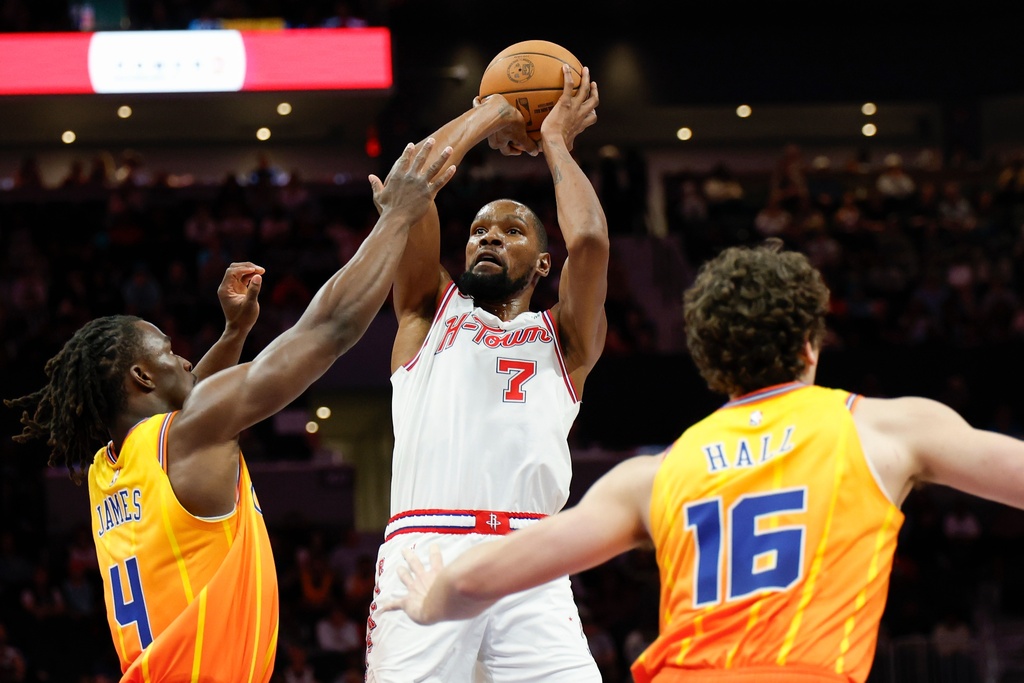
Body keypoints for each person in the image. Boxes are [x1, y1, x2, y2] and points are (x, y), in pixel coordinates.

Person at [381, 237, 1024, 683]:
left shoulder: (655, 473)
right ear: (810, 343)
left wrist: (427, 603)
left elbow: (474, 581)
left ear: (711, 360)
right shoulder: (885, 429)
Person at [4, 139, 456, 683]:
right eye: (169, 353)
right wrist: (397, 218)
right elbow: (328, 330)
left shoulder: (111, 468)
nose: (186, 359)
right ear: (142, 378)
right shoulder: (183, 438)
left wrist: (235, 331)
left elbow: (196, 393)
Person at [365, 64, 608, 682]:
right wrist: (496, 111)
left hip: (531, 557)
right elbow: (413, 181)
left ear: (543, 262)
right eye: (477, 230)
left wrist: (555, 141)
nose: (488, 238)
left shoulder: (565, 338)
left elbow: (593, 244)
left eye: (512, 230)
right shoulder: (428, 312)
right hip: (427, 548)